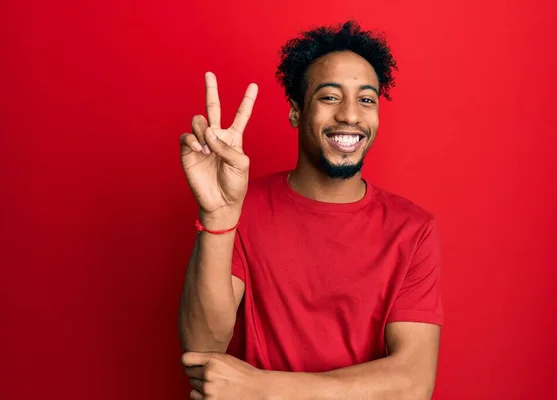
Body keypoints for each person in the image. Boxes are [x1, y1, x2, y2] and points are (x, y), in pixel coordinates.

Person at [178, 20, 443, 400]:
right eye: (330, 97)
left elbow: (413, 382)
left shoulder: (413, 229)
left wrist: (262, 389)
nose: (351, 115)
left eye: (366, 99)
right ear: (295, 113)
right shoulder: (243, 208)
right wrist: (218, 216)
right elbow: (202, 348)